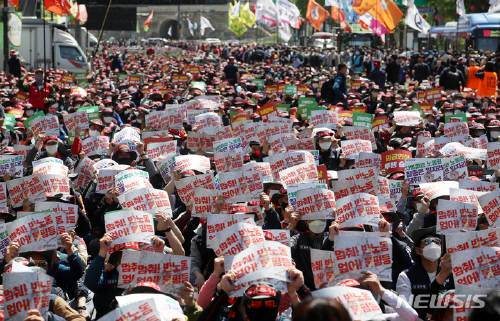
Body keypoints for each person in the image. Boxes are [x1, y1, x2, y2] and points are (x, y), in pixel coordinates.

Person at [396, 228, 454, 319]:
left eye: (437, 242)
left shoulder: (452, 273)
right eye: (427, 242)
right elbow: (405, 310)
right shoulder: (406, 276)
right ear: (418, 251)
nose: (433, 244)